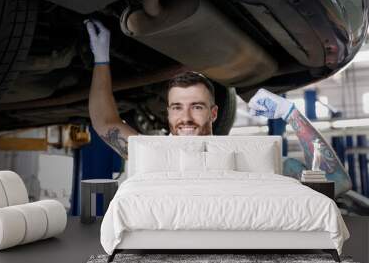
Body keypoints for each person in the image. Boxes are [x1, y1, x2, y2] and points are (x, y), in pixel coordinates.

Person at [85, 19, 351, 196]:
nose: (185, 118)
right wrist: (100, 59)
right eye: (177, 107)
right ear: (167, 113)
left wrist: (291, 114)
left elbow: (336, 182)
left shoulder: (249, 158)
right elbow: (105, 123)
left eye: (197, 107)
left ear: (213, 113)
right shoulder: (153, 153)